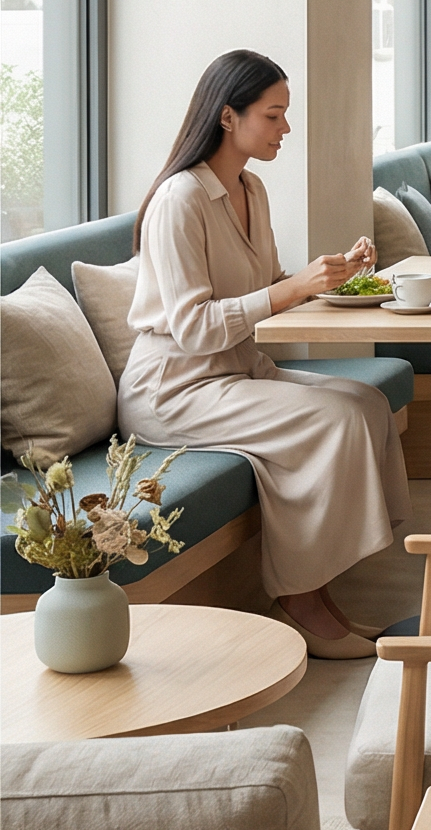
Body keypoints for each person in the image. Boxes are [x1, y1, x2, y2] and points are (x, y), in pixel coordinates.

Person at [118, 50, 407, 659]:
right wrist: (292, 287)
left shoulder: (252, 189)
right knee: (336, 417)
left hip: (238, 371)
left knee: (367, 400)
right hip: (175, 389)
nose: (286, 129)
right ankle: (300, 598)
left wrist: (336, 276)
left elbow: (269, 291)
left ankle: (319, 587)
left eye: (285, 115)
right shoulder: (180, 201)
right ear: (228, 117)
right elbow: (194, 328)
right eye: (273, 116)